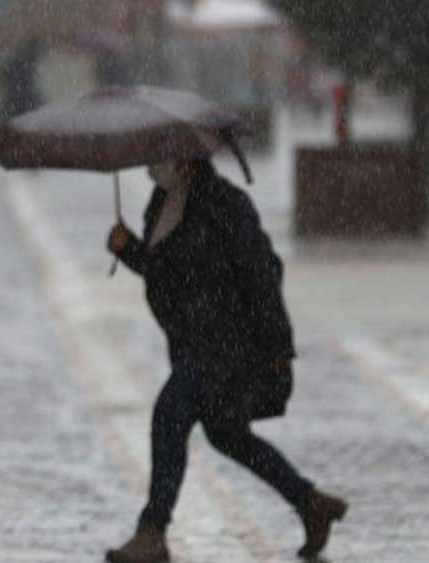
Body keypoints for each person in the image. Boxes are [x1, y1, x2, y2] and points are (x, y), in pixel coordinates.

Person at [103, 159, 347, 563]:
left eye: (163, 155)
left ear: (187, 159)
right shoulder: (162, 202)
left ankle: (152, 532)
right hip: (194, 342)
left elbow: (262, 274)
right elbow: (165, 272)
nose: (153, 165)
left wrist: (276, 348)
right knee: (226, 433)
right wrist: (128, 249)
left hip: (228, 343)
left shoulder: (226, 203)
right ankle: (311, 503)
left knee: (170, 415)